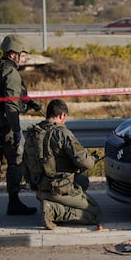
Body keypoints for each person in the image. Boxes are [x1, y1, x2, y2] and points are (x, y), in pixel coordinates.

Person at [0, 34, 41, 220]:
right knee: (17, 161)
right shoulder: (11, 73)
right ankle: (14, 202)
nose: (25, 57)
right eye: (23, 54)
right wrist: (16, 131)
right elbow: (11, 105)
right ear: (13, 54)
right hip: (5, 126)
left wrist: (30, 103)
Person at [23, 98, 102, 230]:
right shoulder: (62, 133)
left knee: (82, 181)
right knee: (95, 214)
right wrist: (92, 159)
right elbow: (86, 162)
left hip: (40, 188)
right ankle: (54, 210)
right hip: (58, 189)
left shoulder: (32, 134)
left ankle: (51, 203)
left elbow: (25, 164)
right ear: (62, 115)